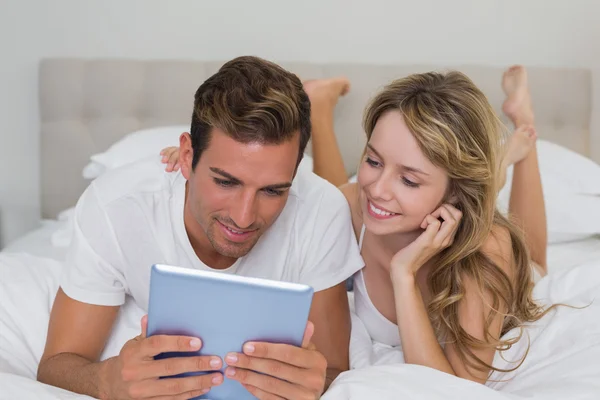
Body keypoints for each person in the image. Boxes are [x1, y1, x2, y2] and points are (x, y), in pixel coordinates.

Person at [161, 65, 553, 384]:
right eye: (373, 160)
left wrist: (404, 274)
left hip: (493, 242)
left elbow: (452, 390)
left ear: (452, 193)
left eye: (410, 179)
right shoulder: (352, 204)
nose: (377, 189)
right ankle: (322, 108)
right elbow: (296, 190)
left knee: (533, 255)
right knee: (343, 194)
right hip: (435, 196)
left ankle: (522, 135)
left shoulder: (488, 251)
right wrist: (202, 166)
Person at [37, 56, 364, 400]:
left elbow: (332, 369)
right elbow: (57, 364)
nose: (243, 217)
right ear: (187, 156)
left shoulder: (322, 210)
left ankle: (320, 106)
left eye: (272, 190)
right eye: (226, 182)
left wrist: (315, 383)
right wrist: (106, 381)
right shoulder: (115, 207)